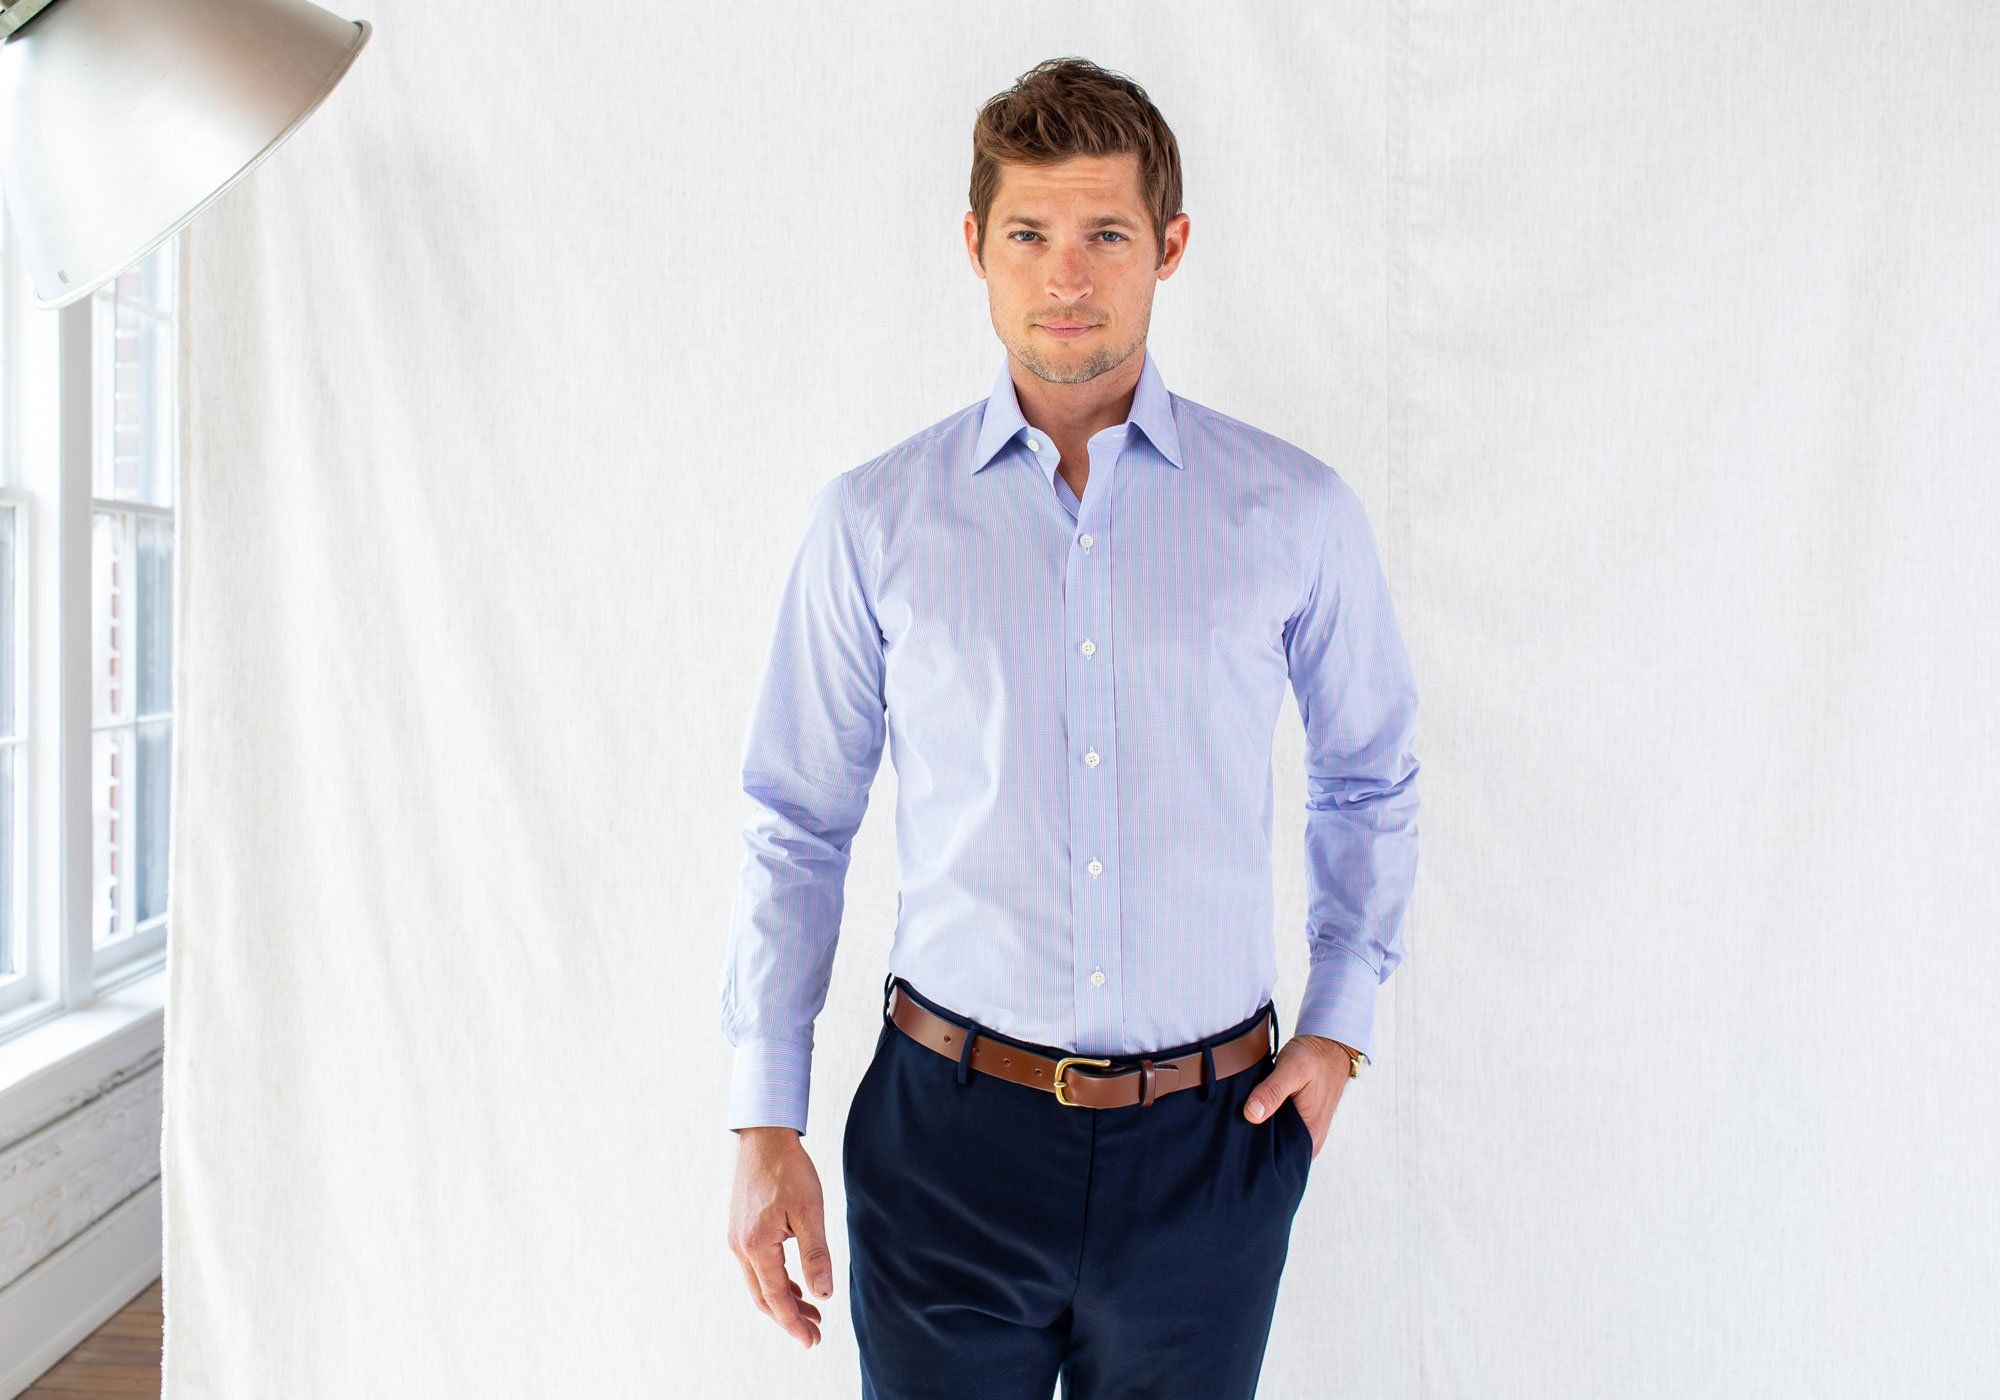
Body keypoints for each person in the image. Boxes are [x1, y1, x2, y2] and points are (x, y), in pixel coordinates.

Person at [720, 55, 1420, 1399]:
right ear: (974, 247)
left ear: (1171, 246)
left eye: (1106, 233)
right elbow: (796, 821)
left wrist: (1338, 1027)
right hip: (944, 1145)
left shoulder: (1294, 513)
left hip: (1210, 1146)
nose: (1066, 276)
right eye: (1029, 234)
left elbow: (1369, 775)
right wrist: (765, 1115)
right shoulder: (874, 521)